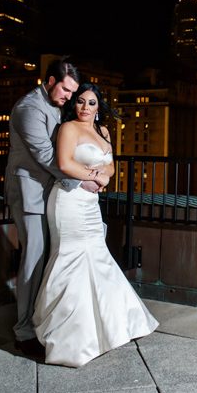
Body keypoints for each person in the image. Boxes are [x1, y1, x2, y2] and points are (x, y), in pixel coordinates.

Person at [32, 83, 158, 367]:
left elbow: (111, 165)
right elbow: (64, 164)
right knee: (71, 257)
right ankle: (69, 337)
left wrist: (104, 178)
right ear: (73, 105)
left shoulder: (104, 132)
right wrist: (91, 177)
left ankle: (109, 327)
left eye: (90, 103)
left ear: (98, 107)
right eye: (80, 102)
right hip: (68, 201)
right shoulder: (68, 129)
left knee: (97, 256)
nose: (84, 108)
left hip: (90, 203)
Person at [4, 59, 98, 357]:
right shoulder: (28, 108)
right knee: (33, 258)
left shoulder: (58, 106)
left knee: (53, 258)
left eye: (73, 92)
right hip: (30, 194)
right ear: (49, 81)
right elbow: (47, 155)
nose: (69, 97)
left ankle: (42, 321)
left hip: (53, 193)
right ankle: (23, 332)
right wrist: (81, 181)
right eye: (66, 90)